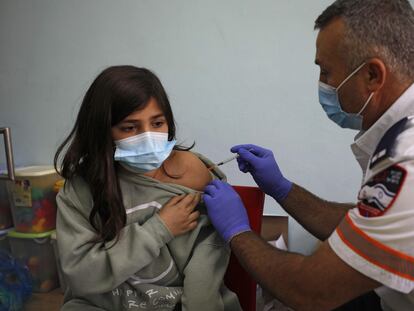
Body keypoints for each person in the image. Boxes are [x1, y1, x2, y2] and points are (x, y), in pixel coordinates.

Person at [203, 1, 414, 310]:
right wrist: (282, 189)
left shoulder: (407, 163)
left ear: (372, 75)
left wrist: (239, 232)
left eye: (326, 72)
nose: (323, 85)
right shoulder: (402, 132)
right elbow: (366, 223)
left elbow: (311, 291)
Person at [54, 66, 241, 310]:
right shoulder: (81, 190)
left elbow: (207, 261)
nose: (148, 137)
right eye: (129, 127)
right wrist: (159, 229)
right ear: (101, 130)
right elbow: (82, 277)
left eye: (158, 122)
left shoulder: (190, 172)